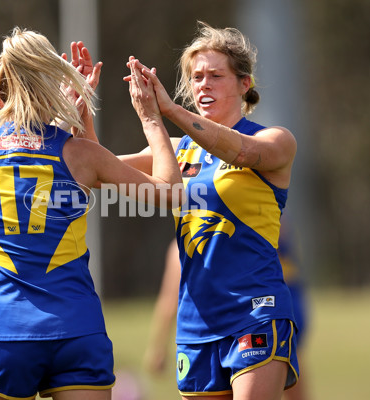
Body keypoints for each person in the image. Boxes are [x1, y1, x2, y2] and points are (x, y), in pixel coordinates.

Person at [0, 27, 182, 400]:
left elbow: (30, 160)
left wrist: (63, 117)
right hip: (76, 328)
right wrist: (152, 118)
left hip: (5, 330)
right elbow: (171, 192)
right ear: (51, 89)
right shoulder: (80, 156)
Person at [121, 22, 299, 399]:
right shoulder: (176, 150)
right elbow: (101, 169)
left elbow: (239, 151)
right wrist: (80, 111)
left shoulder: (273, 140)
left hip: (255, 310)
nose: (203, 84)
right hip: (196, 322)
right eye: (196, 76)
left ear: (244, 84)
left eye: (216, 75)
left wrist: (167, 110)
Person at [144, 216, 311, 399]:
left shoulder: (254, 219)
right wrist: (158, 348)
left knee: (283, 365)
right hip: (233, 321)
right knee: (288, 365)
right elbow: (169, 301)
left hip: (263, 312)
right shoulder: (180, 249)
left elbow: (168, 302)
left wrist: (157, 349)